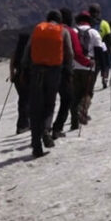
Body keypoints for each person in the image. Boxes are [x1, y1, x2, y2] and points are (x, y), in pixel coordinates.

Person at [21, 10, 72, 158]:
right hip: (54, 72)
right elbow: (69, 53)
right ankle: (45, 129)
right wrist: (68, 71)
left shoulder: (38, 29)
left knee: (36, 108)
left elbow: (28, 49)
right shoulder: (63, 31)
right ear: (60, 20)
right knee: (49, 105)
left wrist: (24, 68)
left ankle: (36, 146)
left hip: (36, 71)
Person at [51, 8, 90, 139]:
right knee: (68, 98)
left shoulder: (48, 30)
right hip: (65, 70)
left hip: (44, 70)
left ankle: (44, 128)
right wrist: (88, 63)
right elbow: (76, 52)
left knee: (48, 101)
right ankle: (62, 126)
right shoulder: (69, 31)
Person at [74, 10, 105, 125]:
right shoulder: (94, 33)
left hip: (74, 66)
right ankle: (83, 112)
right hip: (89, 66)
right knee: (88, 92)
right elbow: (98, 51)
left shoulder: (73, 31)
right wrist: (100, 66)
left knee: (76, 92)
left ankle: (74, 119)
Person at [9, 32, 31, 134]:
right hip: (27, 77)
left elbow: (12, 64)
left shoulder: (16, 51)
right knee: (27, 100)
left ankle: (23, 124)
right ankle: (25, 124)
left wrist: (12, 75)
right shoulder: (28, 50)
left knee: (23, 100)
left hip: (17, 78)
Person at [89, 4, 111, 89]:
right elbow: (110, 38)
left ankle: (91, 84)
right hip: (103, 49)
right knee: (106, 65)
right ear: (99, 12)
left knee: (95, 68)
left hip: (92, 51)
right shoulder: (104, 23)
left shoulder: (88, 24)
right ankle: (105, 78)